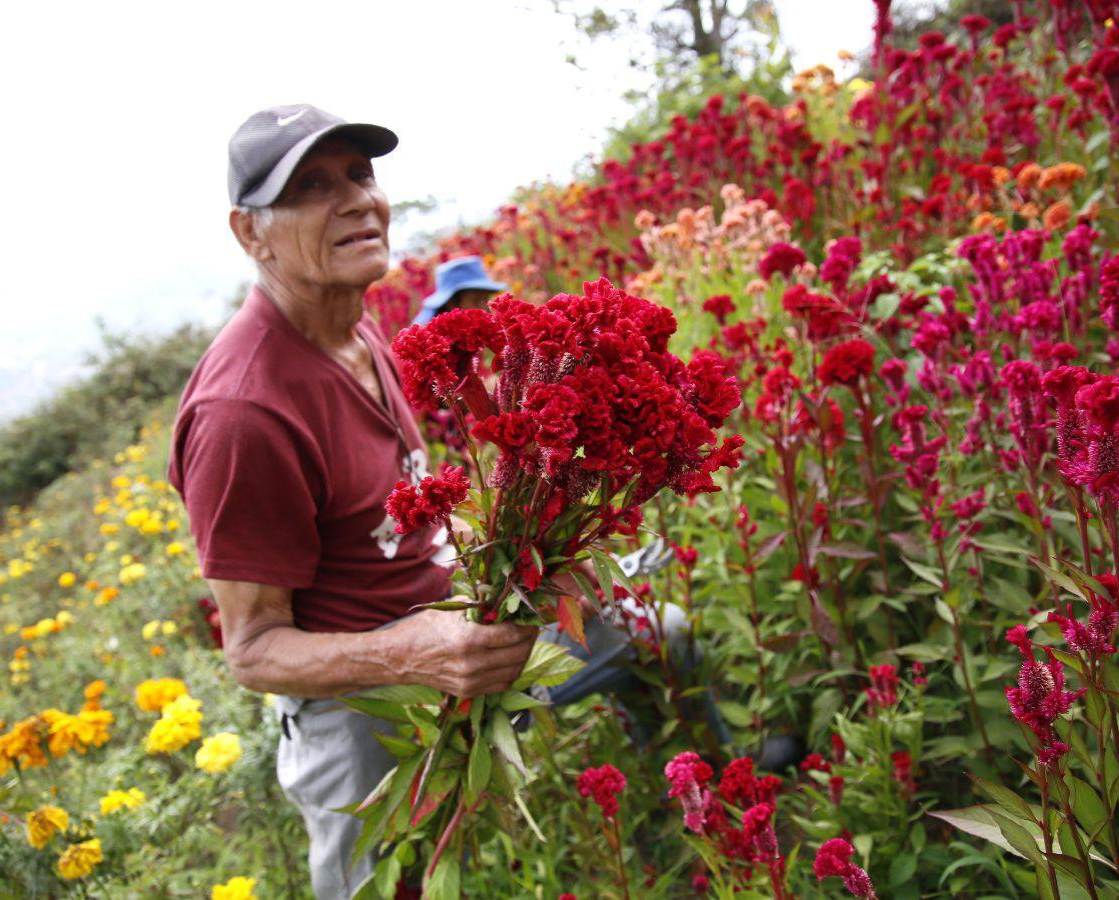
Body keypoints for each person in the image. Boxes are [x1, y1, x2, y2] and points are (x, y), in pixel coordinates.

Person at [168, 104, 714, 899]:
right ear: (250, 233)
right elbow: (252, 652)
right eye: (311, 187)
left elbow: (398, 514)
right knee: (384, 887)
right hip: (362, 713)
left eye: (360, 174)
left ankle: (691, 825)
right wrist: (408, 653)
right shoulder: (243, 413)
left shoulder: (358, 333)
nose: (356, 200)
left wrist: (539, 556)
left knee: (660, 635)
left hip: (466, 634)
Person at [412, 255, 505, 325]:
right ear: (451, 303)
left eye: (486, 299)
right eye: (476, 300)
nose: (484, 307)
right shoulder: (430, 331)